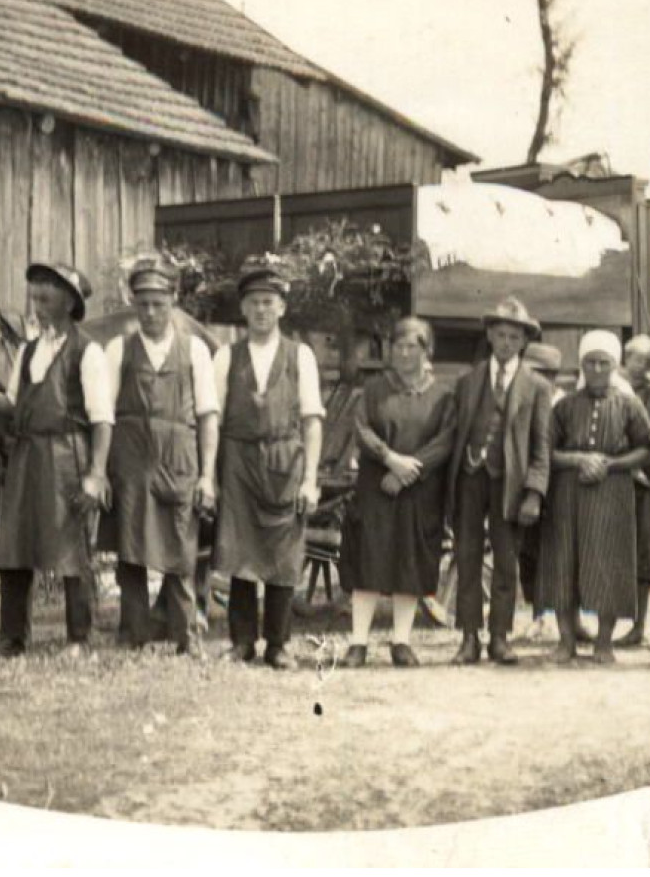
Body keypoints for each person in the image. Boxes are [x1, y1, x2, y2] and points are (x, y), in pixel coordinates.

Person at [0, 262, 112, 657]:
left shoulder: (87, 351)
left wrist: (95, 474)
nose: (37, 307)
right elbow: (10, 404)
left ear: (68, 303)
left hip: (67, 457)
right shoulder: (28, 351)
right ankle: (12, 638)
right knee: (14, 545)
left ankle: (78, 639)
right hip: (25, 455)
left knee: (71, 548)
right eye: (34, 298)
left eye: (45, 299)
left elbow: (102, 419)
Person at [102, 256, 219, 658]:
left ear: (173, 300)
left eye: (159, 303)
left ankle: (187, 635)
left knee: (181, 549)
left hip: (179, 460)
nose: (150, 312)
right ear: (134, 303)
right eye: (143, 303)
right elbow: (104, 414)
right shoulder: (119, 349)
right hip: (131, 458)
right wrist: (101, 471)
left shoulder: (196, 351)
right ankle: (135, 633)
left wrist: (207, 477)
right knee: (130, 546)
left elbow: (207, 417)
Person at [212, 256, 324, 670]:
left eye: (269, 301)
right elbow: (214, 420)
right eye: (254, 302)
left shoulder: (301, 356)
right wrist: (211, 474)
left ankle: (278, 643)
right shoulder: (227, 356)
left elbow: (312, 422)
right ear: (243, 309)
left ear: (282, 307)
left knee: (284, 551)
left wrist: (310, 479)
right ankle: (242, 641)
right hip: (239, 459)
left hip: (285, 459)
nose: (261, 309)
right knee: (240, 548)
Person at [342, 317, 456, 668]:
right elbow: (360, 428)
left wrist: (408, 472)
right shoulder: (374, 389)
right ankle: (358, 643)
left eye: (412, 346)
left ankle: (401, 642)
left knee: (411, 560)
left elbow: (446, 439)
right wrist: (389, 459)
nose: (404, 353)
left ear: (427, 351)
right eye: (398, 346)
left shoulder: (443, 395)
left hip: (418, 490)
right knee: (369, 560)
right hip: (377, 485)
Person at [447, 297, 554, 666]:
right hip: (470, 479)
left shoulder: (537, 387)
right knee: (467, 557)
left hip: (510, 484)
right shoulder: (468, 380)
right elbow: (454, 432)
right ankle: (468, 638)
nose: (506, 342)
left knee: (506, 561)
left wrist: (535, 493)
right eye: (500, 334)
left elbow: (541, 445)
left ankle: (499, 638)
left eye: (514, 337)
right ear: (490, 335)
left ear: (524, 342)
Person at [539, 331, 650, 665]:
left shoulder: (629, 405)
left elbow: (647, 448)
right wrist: (576, 460)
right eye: (591, 362)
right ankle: (566, 641)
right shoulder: (564, 406)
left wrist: (611, 464)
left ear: (616, 366)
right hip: (567, 493)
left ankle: (604, 643)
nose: (598, 369)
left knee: (608, 562)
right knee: (564, 560)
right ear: (581, 365)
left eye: (605, 363)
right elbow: (545, 450)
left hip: (612, 492)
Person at [617, 332, 650, 649]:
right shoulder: (618, 386)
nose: (642, 366)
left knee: (649, 553)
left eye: (648, 361)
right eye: (637, 360)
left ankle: (643, 625)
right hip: (622, 474)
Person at [518, 341, 567, 644]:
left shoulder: (562, 404)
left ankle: (561, 617)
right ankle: (537, 615)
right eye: (533, 372)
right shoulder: (520, 398)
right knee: (528, 552)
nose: (539, 379)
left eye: (545, 374)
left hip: (559, 487)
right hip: (529, 484)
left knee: (558, 553)